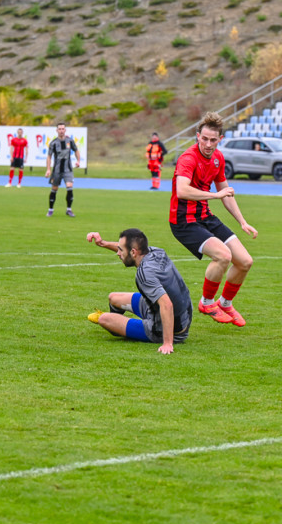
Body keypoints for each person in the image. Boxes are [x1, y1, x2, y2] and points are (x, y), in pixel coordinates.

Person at [170, 111, 258, 327]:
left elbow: (225, 192)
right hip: (184, 220)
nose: (208, 144)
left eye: (213, 140)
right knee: (223, 256)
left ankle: (225, 303)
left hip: (205, 216)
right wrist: (214, 195)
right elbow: (182, 190)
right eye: (204, 139)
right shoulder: (188, 158)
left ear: (220, 139)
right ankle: (206, 302)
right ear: (197, 136)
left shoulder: (218, 157)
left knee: (245, 261)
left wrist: (242, 221)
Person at [85, 228, 192, 355]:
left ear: (133, 252)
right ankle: (122, 323)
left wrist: (167, 343)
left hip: (169, 329)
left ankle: (121, 327)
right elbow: (129, 250)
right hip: (183, 316)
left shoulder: (144, 274)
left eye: (121, 250)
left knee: (104, 319)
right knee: (113, 298)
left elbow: (167, 305)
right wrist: (103, 243)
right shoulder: (156, 252)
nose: (118, 253)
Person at [45, 122, 80, 217]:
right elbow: (49, 156)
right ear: (57, 130)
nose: (61, 131)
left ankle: (69, 210)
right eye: (59, 129)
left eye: (63, 129)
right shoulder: (53, 143)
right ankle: (50, 209)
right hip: (57, 170)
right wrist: (48, 169)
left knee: (69, 187)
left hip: (68, 169)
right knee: (54, 189)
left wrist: (78, 161)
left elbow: (76, 150)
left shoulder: (70, 141)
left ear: (65, 130)